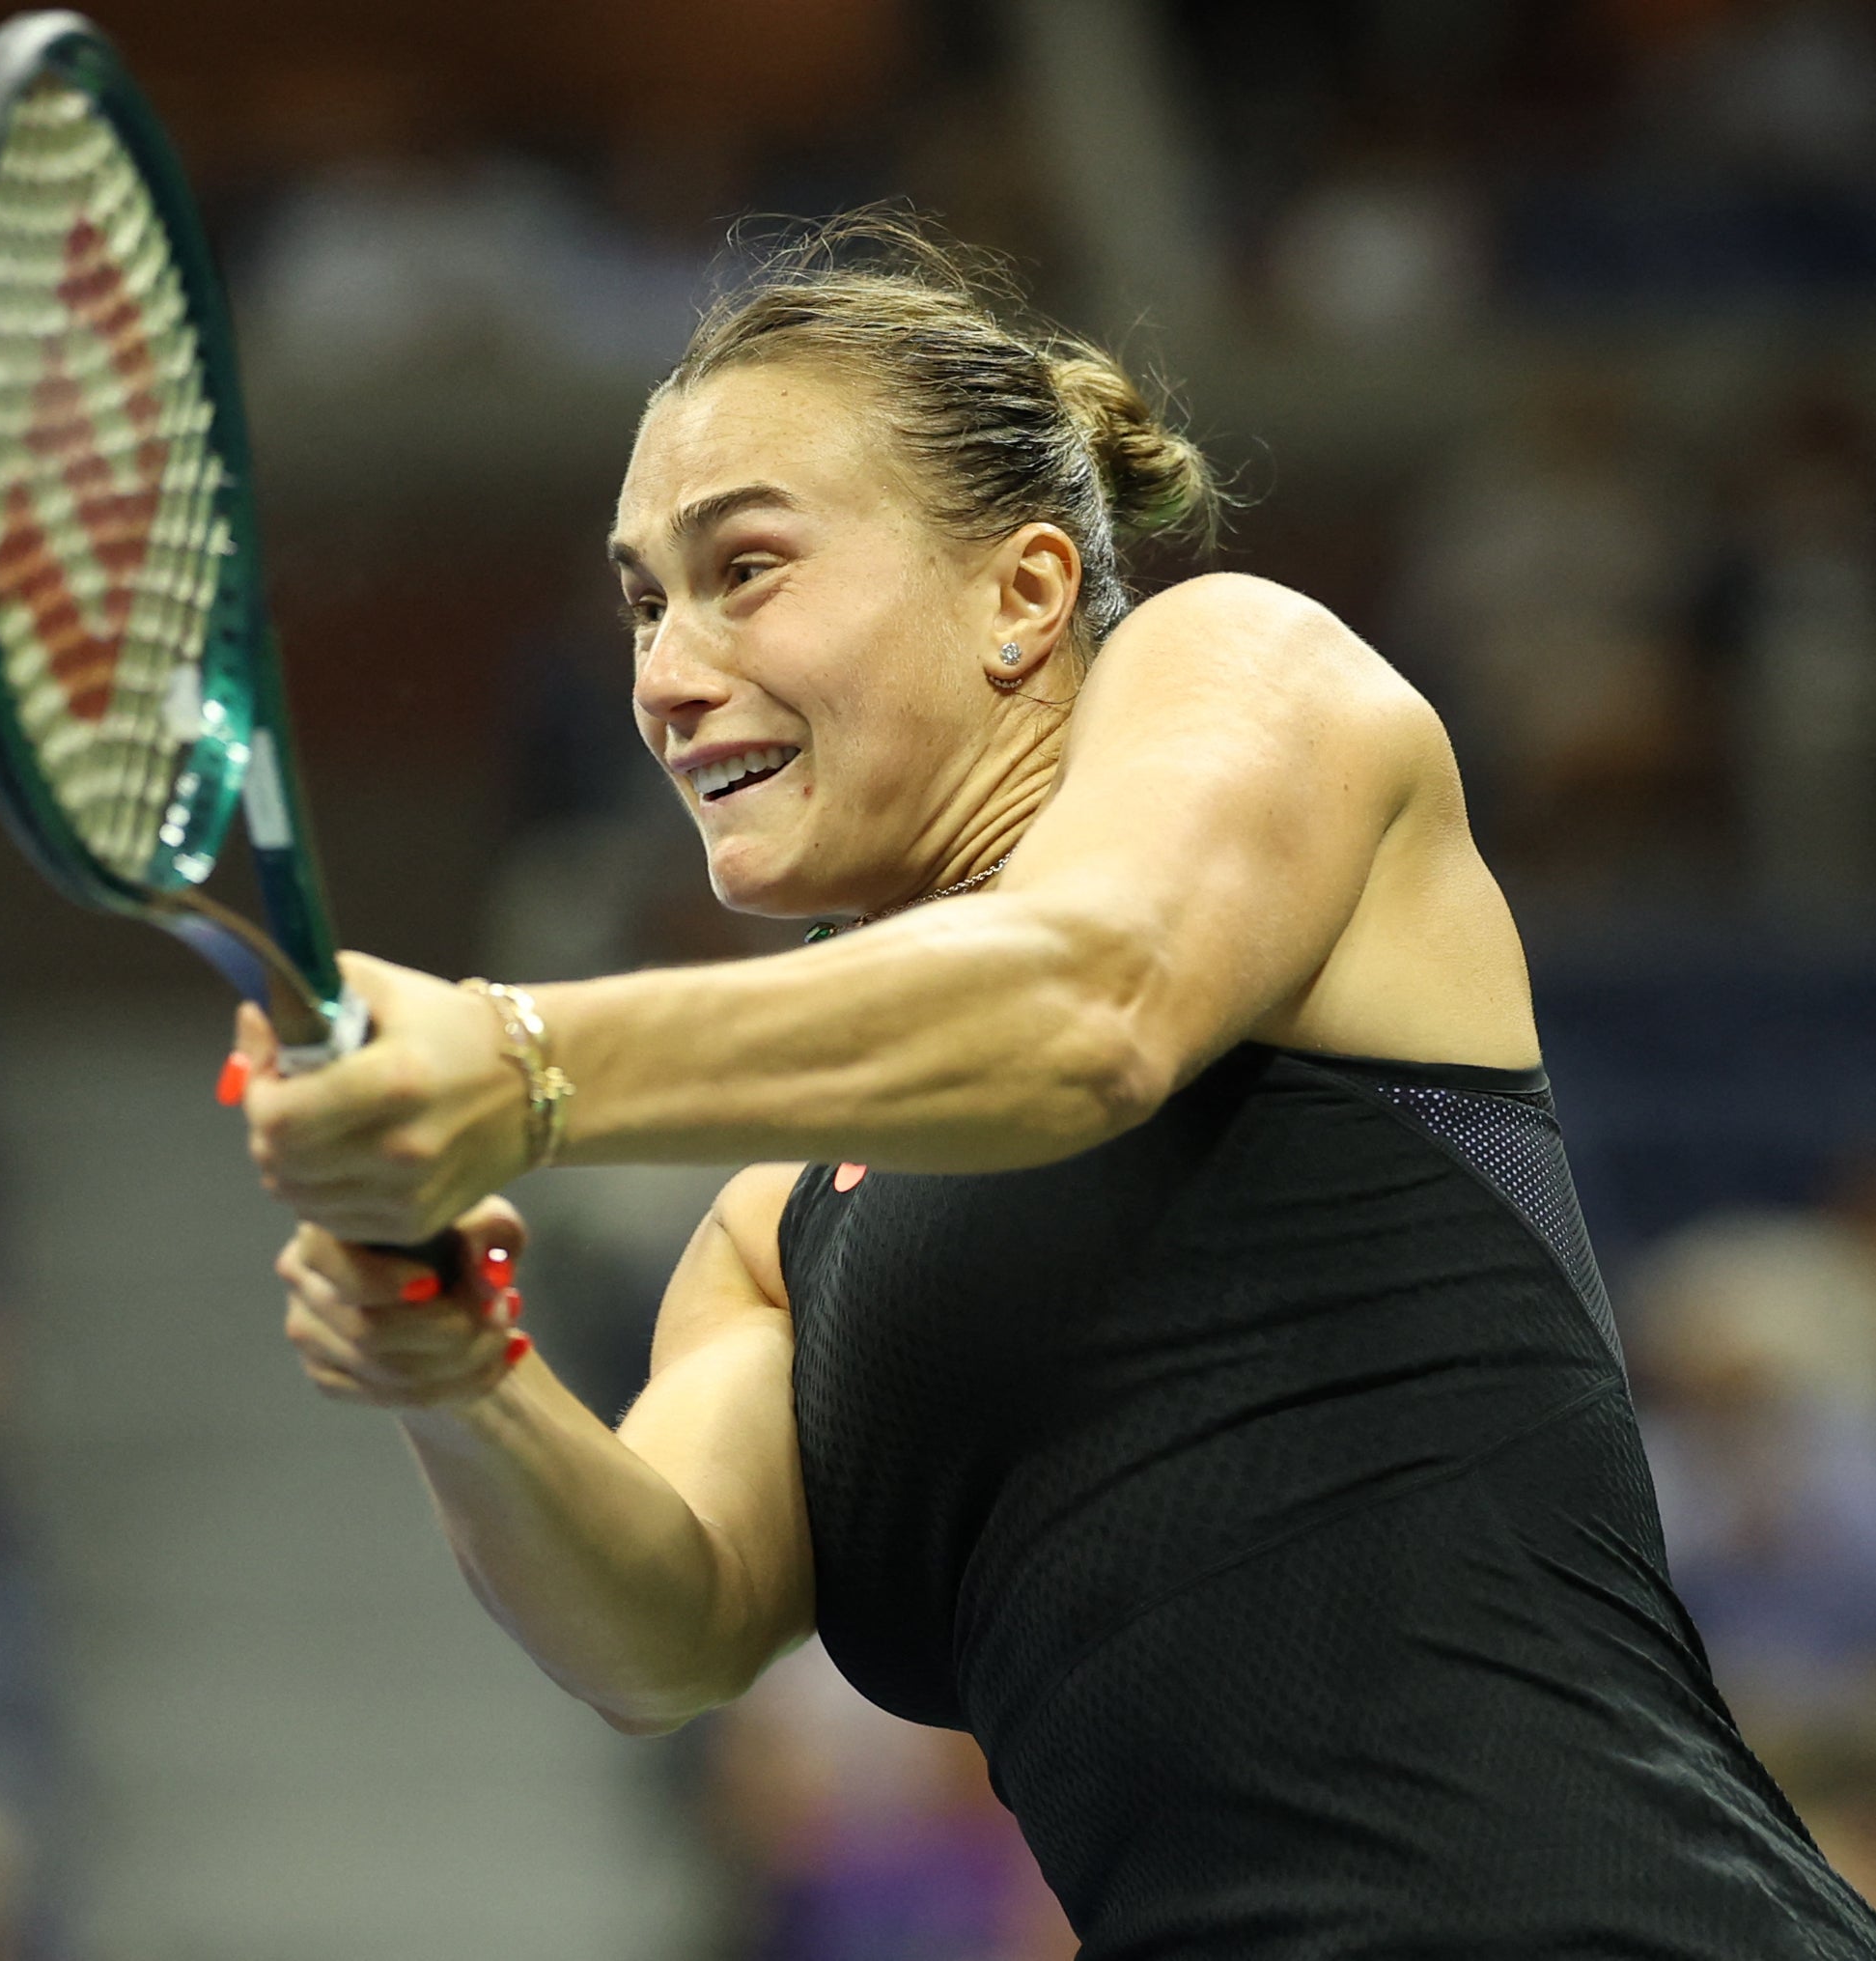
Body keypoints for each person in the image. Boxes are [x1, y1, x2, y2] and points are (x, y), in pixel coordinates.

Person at [235, 213, 1876, 1957]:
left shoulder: (1251, 671)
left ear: (1022, 593)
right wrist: (456, 1367)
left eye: (743, 569)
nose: (663, 671)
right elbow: (664, 1626)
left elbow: (1090, 1002)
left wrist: (516, 1057)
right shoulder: (771, 1230)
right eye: (642, 602)